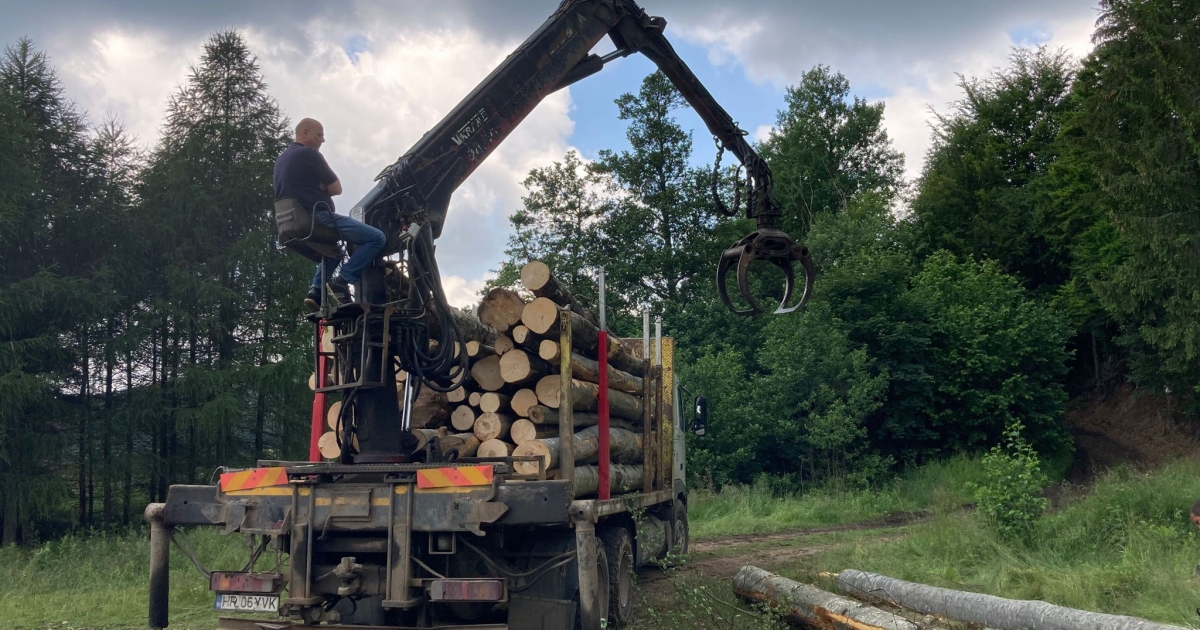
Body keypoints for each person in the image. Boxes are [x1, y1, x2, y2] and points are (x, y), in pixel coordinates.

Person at [273, 117, 385, 310]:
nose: (323, 140)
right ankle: (342, 281)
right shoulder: (309, 154)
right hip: (317, 217)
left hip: (290, 222)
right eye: (319, 135)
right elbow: (337, 188)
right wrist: (324, 187)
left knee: (334, 253)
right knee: (377, 238)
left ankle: (315, 291)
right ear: (305, 133)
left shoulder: (281, 159)